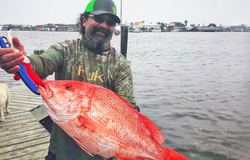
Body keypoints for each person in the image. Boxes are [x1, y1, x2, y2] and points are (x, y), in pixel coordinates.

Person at [0, 0, 139, 159]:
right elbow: (43, 63)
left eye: (110, 22)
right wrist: (23, 61)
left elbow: (130, 111)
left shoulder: (120, 65)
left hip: (104, 154)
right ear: (84, 20)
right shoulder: (65, 50)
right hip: (60, 153)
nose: (104, 25)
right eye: (99, 19)